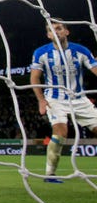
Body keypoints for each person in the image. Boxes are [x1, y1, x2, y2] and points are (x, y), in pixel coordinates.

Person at [30, 20, 97, 183]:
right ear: (48, 35)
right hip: (55, 99)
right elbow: (35, 78)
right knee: (61, 132)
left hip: (80, 99)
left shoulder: (81, 51)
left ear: (67, 32)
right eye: (51, 30)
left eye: (59, 28)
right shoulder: (41, 53)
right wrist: (41, 100)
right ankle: (50, 174)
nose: (55, 32)